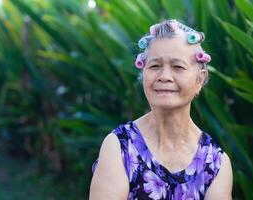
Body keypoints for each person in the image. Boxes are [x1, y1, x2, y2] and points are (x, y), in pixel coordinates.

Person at [89, 19, 233, 200]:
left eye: (178, 67)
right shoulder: (120, 147)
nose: (164, 76)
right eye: (155, 66)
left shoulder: (215, 164)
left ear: (199, 80)